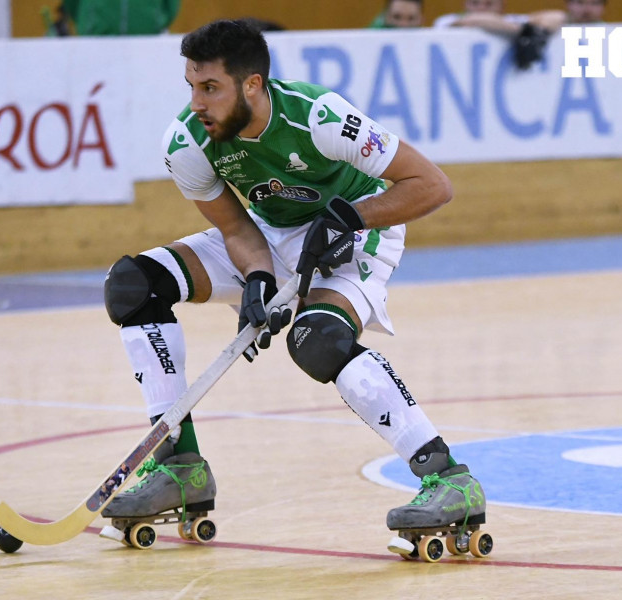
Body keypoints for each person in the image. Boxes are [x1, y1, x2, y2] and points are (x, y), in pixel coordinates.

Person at [101, 19, 486, 543]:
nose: (196, 103)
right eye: (191, 86)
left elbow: (432, 185)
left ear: (252, 84)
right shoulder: (188, 142)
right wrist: (258, 277)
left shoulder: (320, 118)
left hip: (358, 231)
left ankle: (449, 480)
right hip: (265, 231)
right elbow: (235, 227)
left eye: (210, 87)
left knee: (317, 341)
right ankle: (179, 466)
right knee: (132, 285)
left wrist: (351, 217)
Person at [55, 0, 180, 36]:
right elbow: (72, 4)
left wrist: (156, 22)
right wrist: (89, 24)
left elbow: (171, 6)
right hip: (95, 39)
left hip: (146, 40)